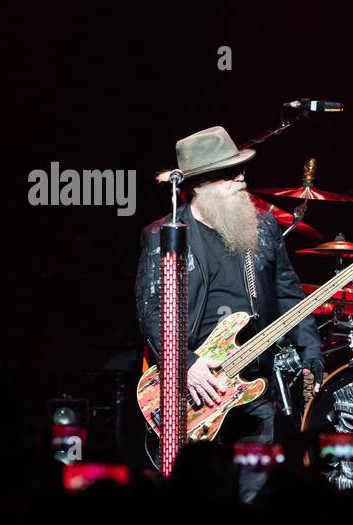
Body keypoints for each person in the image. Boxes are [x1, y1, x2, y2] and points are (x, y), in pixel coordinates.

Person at [135, 126, 324, 500]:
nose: (242, 179)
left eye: (240, 171)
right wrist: (185, 363)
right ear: (199, 184)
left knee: (252, 494)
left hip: (252, 385)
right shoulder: (165, 234)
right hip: (193, 387)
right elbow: (151, 311)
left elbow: (289, 294)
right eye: (229, 174)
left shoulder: (264, 227)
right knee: (193, 499)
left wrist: (311, 352)